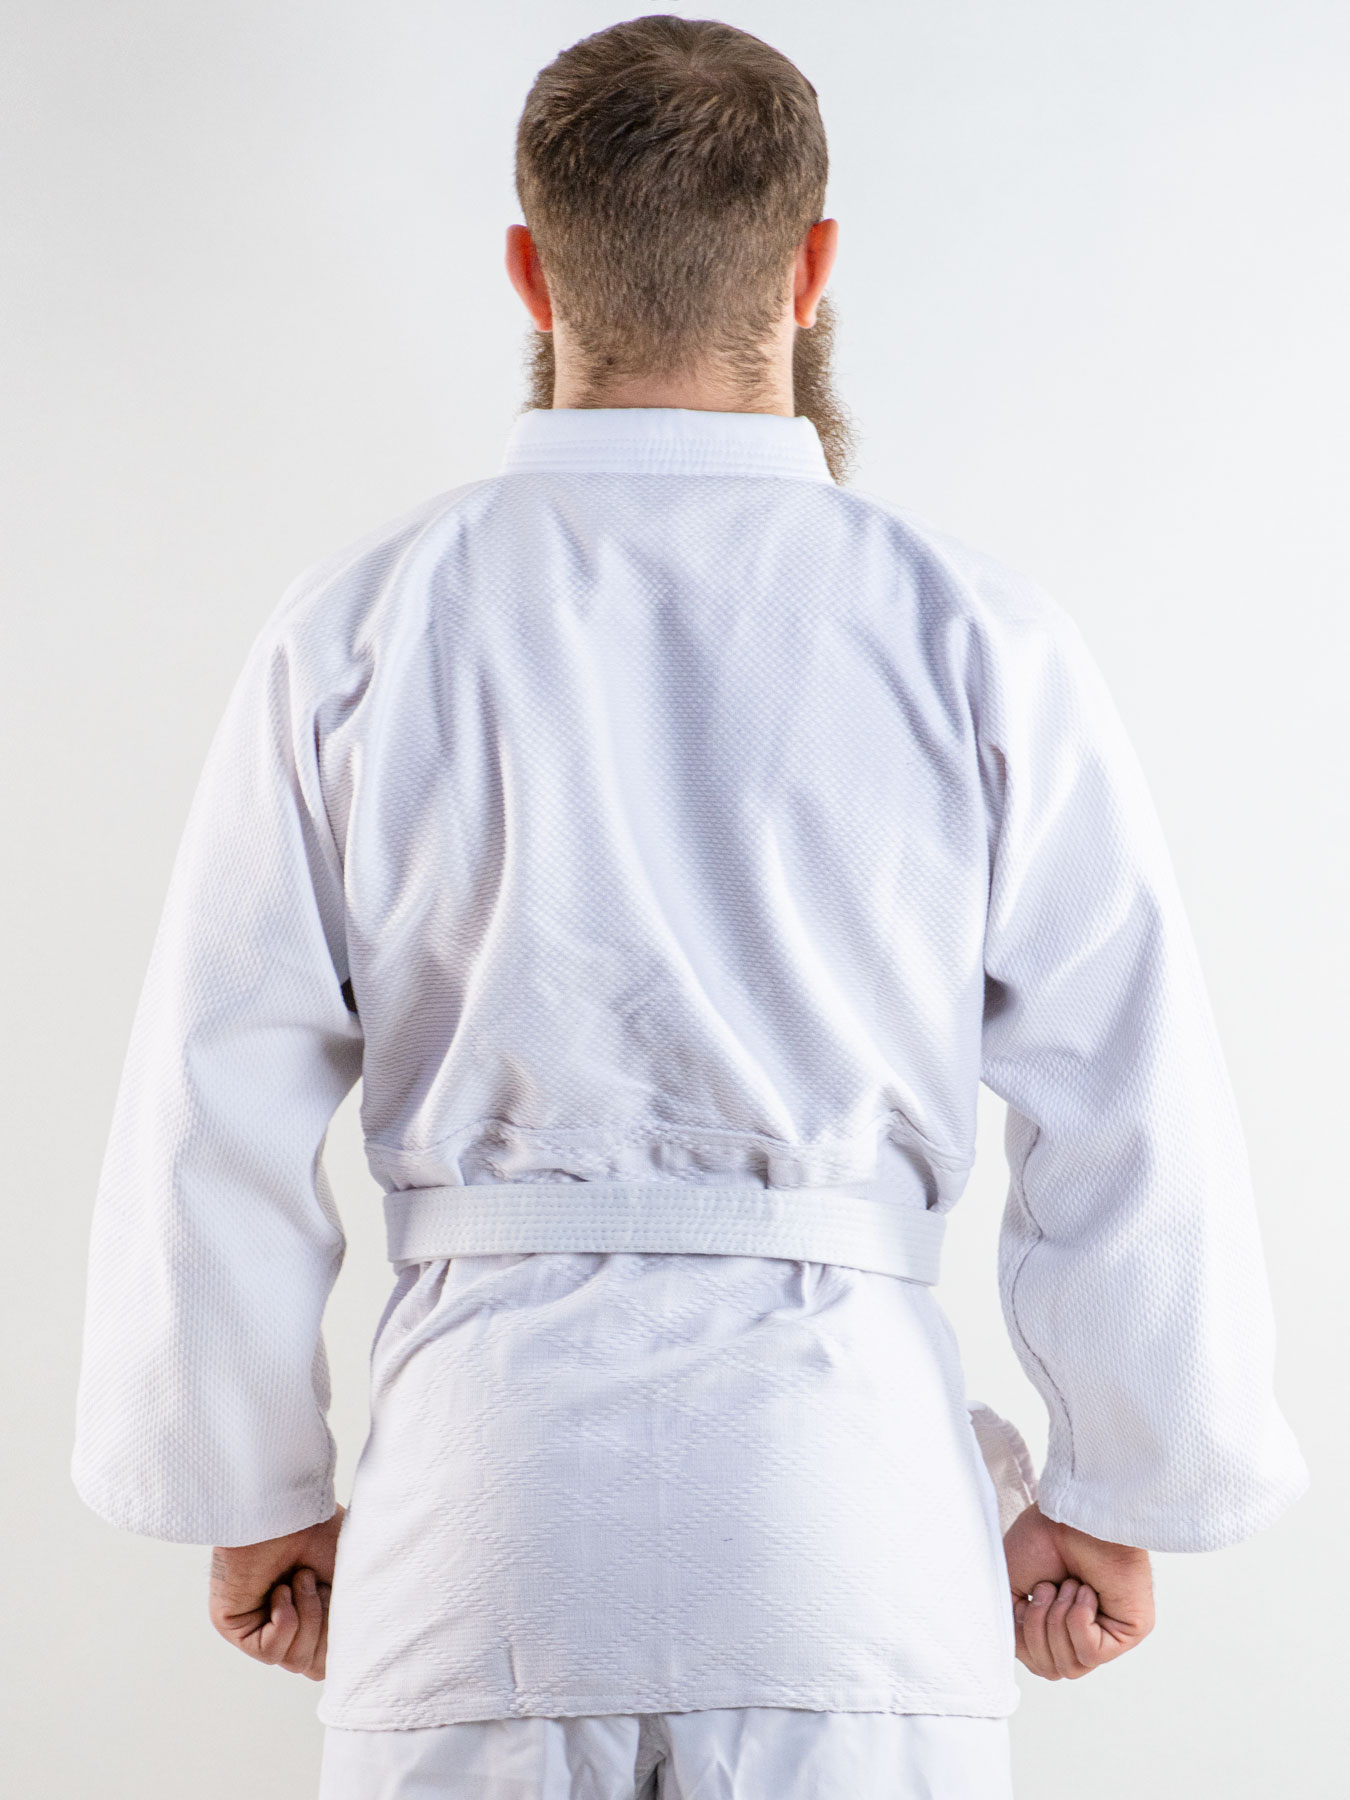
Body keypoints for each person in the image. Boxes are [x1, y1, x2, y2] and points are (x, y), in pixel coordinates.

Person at [71, 16, 1308, 1799]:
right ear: (811, 270)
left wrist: (246, 1486)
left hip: (480, 1514)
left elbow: (215, 1093)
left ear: (531, 272)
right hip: (848, 1520)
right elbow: (1130, 1098)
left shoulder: (357, 632)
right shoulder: (972, 636)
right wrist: (1123, 1486)